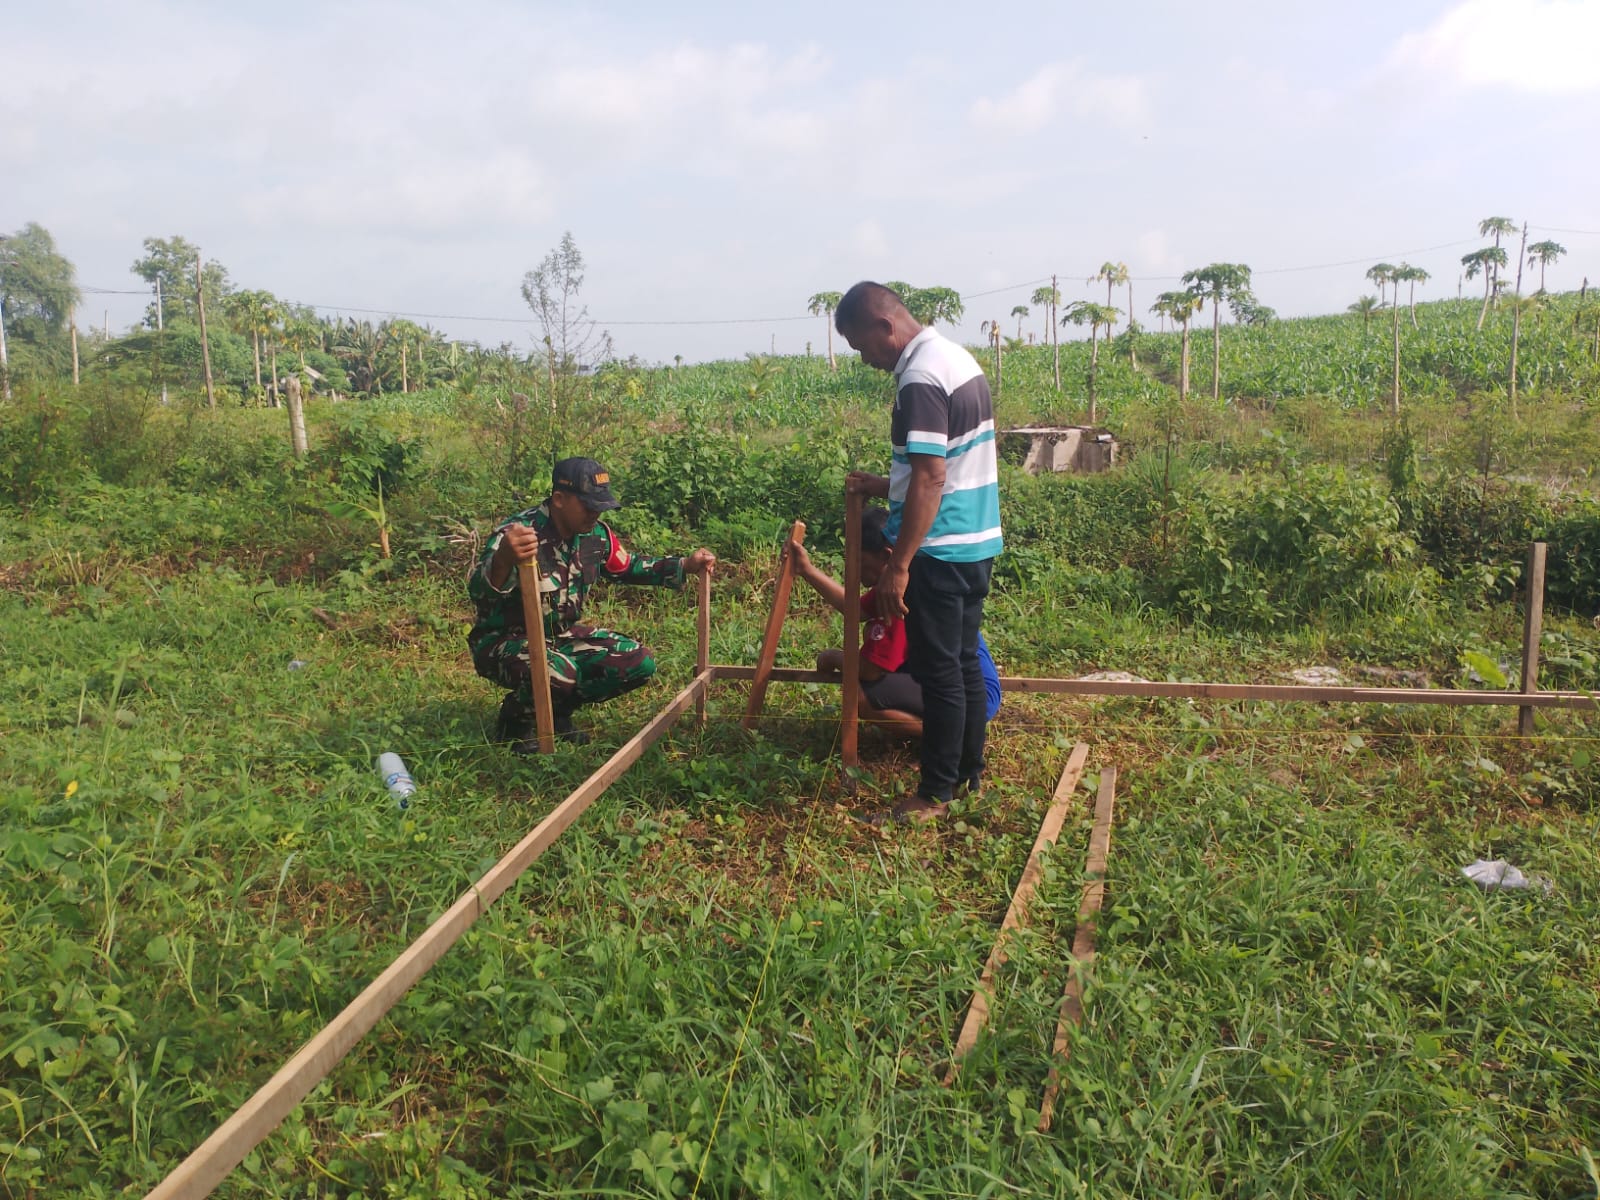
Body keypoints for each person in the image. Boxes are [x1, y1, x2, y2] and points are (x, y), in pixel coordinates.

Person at [835, 282, 1003, 821]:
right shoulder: (956, 360)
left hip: (940, 549)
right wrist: (886, 485)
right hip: (974, 541)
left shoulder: (920, 377)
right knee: (962, 663)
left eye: (862, 345)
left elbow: (932, 478)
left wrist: (900, 565)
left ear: (885, 326)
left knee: (940, 672)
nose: (865, 359)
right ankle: (968, 773)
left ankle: (934, 793)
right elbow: (945, 467)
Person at [467, 457, 715, 753]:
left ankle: (557, 712)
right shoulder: (519, 534)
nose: (595, 513)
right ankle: (515, 726)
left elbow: (627, 566)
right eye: (588, 505)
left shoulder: (595, 535)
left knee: (636, 662)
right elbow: (479, 592)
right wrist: (504, 559)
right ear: (559, 499)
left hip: (560, 636)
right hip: (503, 641)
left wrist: (685, 565)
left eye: (600, 505)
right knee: (558, 670)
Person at [784, 505, 1000, 740]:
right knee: (872, 634)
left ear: (886, 556)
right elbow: (857, 610)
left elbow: (870, 671)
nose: (852, 568)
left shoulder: (903, 597)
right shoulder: (905, 577)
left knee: (859, 696)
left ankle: (956, 736)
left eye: (859, 560)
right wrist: (806, 570)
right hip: (956, 680)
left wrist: (834, 657)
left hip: (971, 694)